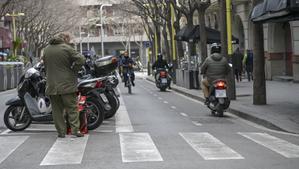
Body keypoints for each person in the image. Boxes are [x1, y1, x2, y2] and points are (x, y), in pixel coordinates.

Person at [43, 32, 86, 138]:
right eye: (69, 39)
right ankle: (75, 131)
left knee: (57, 110)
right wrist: (74, 69)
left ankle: (61, 132)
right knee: (72, 108)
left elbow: (44, 63)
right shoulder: (66, 48)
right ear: (65, 38)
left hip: (51, 84)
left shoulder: (46, 49)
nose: (69, 41)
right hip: (66, 84)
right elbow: (81, 59)